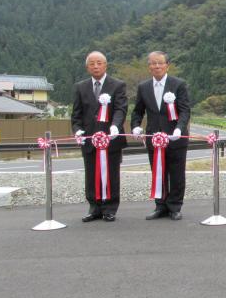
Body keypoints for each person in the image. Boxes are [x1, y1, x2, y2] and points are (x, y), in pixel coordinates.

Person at [131, 51, 191, 220]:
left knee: (177, 173)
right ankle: (160, 205)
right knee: (158, 171)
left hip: (175, 138)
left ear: (167, 65)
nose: (156, 66)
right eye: (153, 63)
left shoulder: (178, 84)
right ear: (149, 66)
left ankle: (175, 206)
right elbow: (137, 111)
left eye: (160, 63)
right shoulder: (143, 87)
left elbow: (185, 110)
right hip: (154, 138)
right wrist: (136, 126)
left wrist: (179, 128)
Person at [71, 51, 128, 222]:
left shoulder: (117, 85)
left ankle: (110, 208)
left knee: (111, 173)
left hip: (111, 139)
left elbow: (120, 109)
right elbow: (76, 114)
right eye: (92, 63)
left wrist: (115, 126)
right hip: (89, 139)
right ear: (87, 67)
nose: (96, 66)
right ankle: (94, 207)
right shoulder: (80, 87)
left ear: (105, 65)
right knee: (91, 174)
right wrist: (77, 131)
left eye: (99, 63)